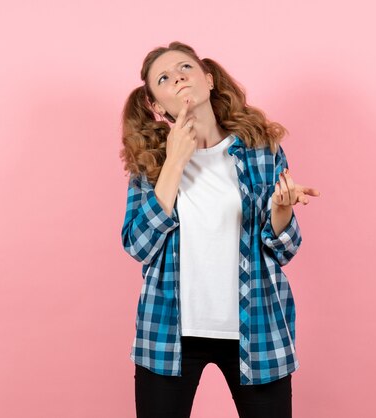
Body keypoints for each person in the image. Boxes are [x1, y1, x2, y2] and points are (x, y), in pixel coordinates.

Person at [119, 41, 320, 418]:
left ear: (208, 80)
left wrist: (281, 210)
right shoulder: (150, 164)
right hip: (169, 332)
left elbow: (284, 250)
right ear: (158, 106)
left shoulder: (262, 150)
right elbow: (138, 245)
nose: (177, 77)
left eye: (185, 68)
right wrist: (175, 161)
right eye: (164, 78)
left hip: (256, 328)